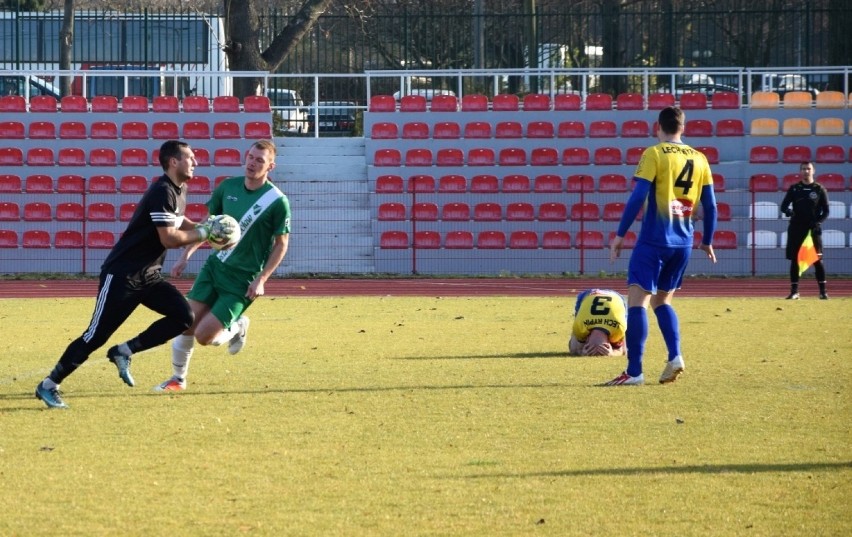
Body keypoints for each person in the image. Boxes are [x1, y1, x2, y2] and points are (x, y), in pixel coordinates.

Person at [34, 140, 232, 408]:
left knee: (184, 317)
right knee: (95, 336)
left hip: (148, 275)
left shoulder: (179, 189)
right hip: (122, 275)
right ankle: (48, 385)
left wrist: (208, 230)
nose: (195, 162)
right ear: (174, 162)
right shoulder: (162, 191)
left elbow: (179, 221)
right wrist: (206, 233)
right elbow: (169, 239)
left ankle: (123, 351)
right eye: (190, 157)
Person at [155, 139, 291, 392]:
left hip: (242, 280)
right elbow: (208, 225)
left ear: (270, 166)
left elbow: (281, 244)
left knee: (204, 336)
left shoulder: (277, 201)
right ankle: (177, 379)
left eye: (259, 160)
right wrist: (186, 255)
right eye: (251, 157)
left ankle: (238, 326)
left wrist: (262, 279)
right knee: (185, 321)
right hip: (215, 268)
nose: (252, 163)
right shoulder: (227, 186)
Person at [606, 106, 718, 386]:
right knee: (663, 301)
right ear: (683, 127)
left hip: (654, 239)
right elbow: (712, 205)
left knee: (637, 302)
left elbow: (637, 197)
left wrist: (620, 234)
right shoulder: (700, 158)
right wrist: (707, 240)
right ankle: (675, 355)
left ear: (658, 126)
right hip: (683, 242)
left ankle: (634, 372)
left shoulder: (654, 154)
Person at [780, 161, 830, 300]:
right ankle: (794, 291)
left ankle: (823, 292)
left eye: (808, 169)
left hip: (813, 230)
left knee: (818, 260)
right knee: (795, 259)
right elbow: (783, 207)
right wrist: (790, 213)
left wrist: (817, 221)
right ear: (800, 171)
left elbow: (826, 211)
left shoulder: (819, 189)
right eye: (803, 169)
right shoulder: (794, 189)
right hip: (796, 229)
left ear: (813, 171)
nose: (806, 171)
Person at [568, 288, 627, 357]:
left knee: (576, 346)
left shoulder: (618, 329)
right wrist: (613, 353)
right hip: (590, 296)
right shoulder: (618, 330)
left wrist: (580, 352)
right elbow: (624, 350)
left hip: (608, 297)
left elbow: (624, 350)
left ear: (587, 339)